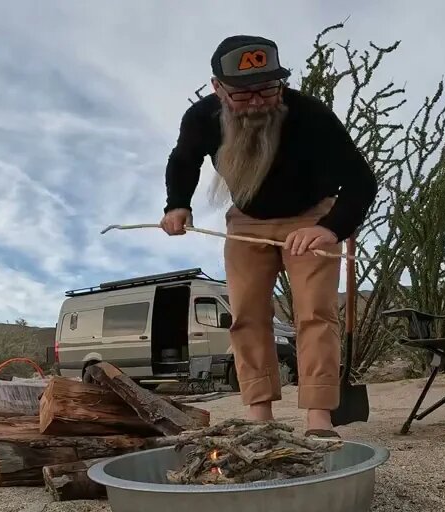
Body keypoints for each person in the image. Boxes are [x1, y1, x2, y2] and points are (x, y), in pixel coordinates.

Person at [161, 34, 376, 437]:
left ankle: (319, 417)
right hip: (247, 221)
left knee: (315, 312)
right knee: (247, 314)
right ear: (217, 88)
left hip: (311, 217)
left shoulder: (313, 115)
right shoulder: (201, 118)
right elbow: (183, 160)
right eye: (243, 94)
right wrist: (177, 204)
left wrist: (329, 229)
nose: (258, 101)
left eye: (268, 88)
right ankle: (260, 416)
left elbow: (362, 181)